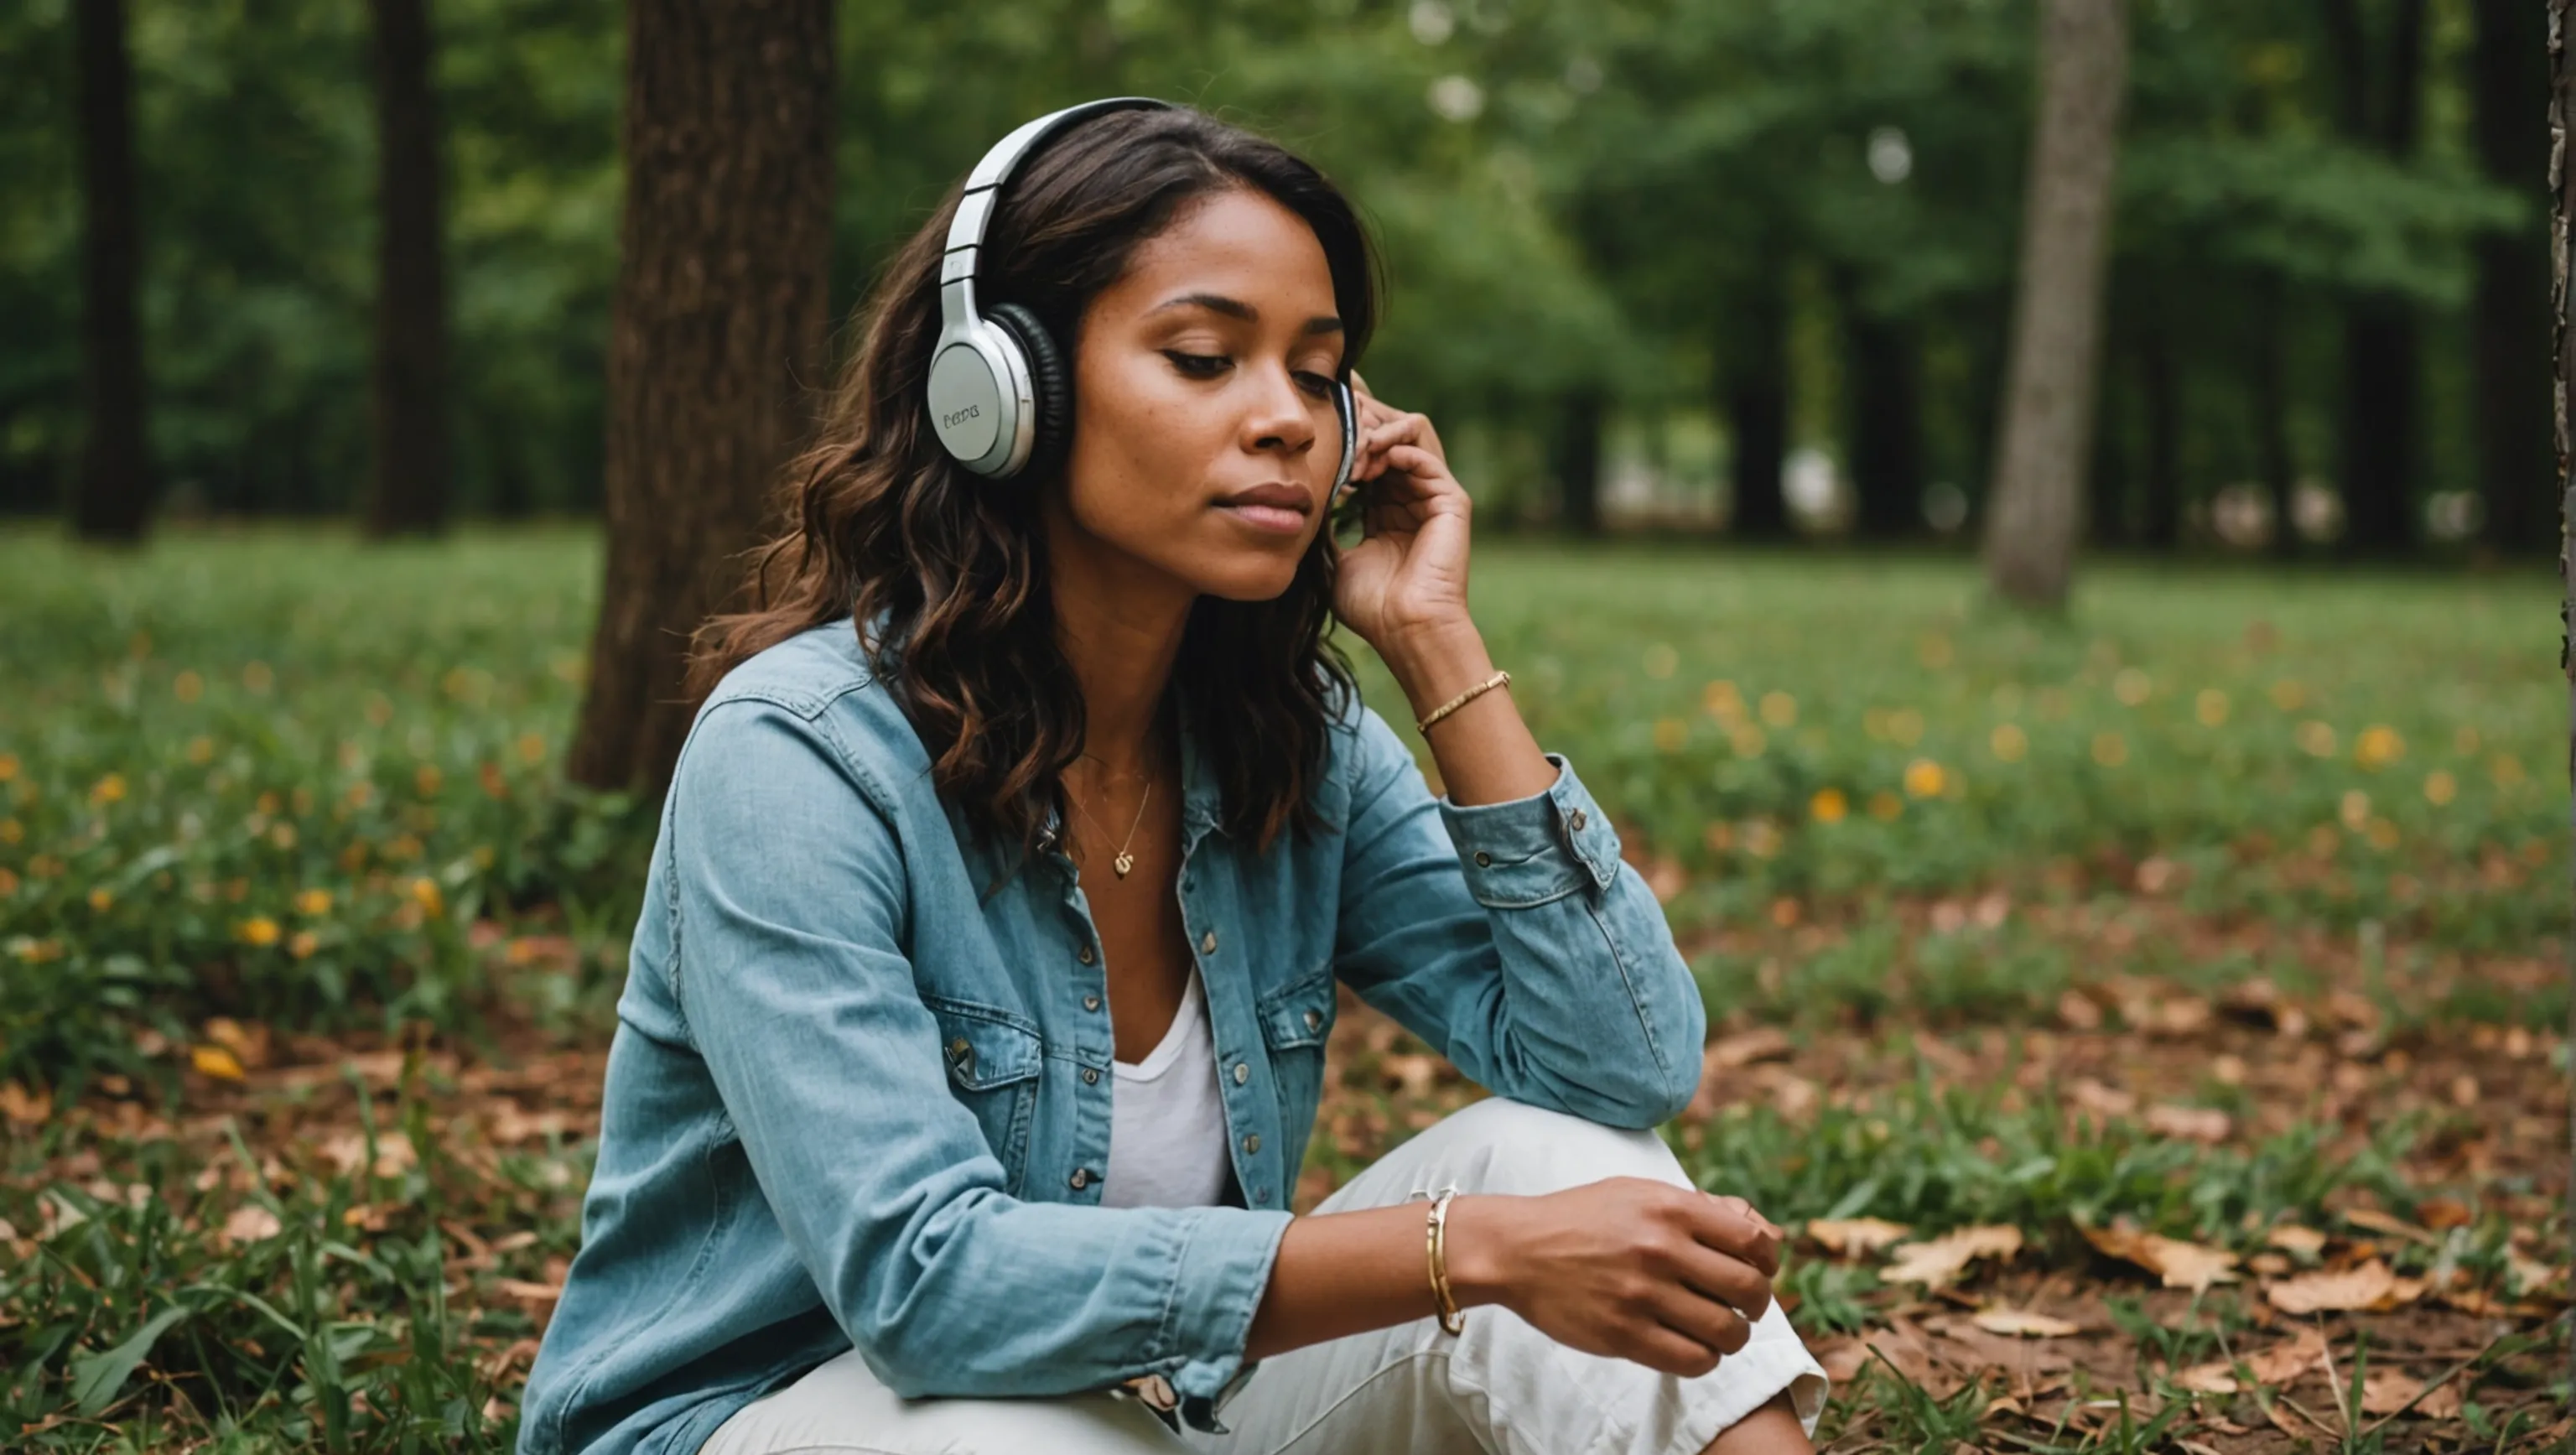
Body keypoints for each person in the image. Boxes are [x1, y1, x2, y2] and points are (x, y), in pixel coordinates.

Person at [516, 98, 1829, 1455]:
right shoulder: (799, 758)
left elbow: (1618, 1068)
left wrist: (1437, 643)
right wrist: (1460, 1249)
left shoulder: (1286, 744)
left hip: (1140, 1420)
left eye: (1318, 373)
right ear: (1001, 392)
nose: (1285, 421)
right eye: (1205, 357)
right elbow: (926, 1286)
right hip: (773, 1419)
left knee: (1571, 1168)